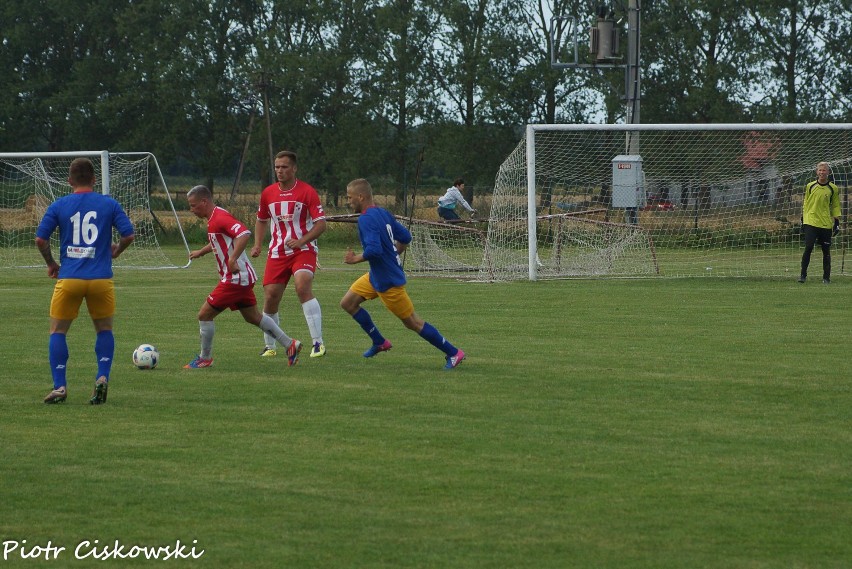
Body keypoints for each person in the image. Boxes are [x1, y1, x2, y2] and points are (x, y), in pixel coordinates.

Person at [35, 157, 136, 404]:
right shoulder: (109, 204)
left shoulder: (60, 205)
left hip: (69, 279)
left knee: (58, 332)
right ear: (94, 179)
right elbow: (129, 234)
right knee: (104, 329)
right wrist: (116, 251)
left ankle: (60, 386)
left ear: (69, 180)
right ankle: (102, 377)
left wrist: (51, 264)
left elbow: (40, 239)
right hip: (101, 279)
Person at [341, 178, 466, 370]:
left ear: (361, 196)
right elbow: (406, 237)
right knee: (348, 303)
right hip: (376, 275)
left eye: (350, 198)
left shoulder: (365, 219)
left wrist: (354, 259)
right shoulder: (383, 213)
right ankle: (379, 342)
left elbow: (374, 250)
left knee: (413, 323)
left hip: (387, 281)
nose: (349, 202)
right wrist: (394, 254)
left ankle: (453, 352)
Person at [184, 185, 302, 368]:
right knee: (253, 316)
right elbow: (220, 240)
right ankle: (290, 344)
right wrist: (202, 251)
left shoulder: (220, 217)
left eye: (193, 206)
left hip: (235, 278)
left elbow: (244, 233)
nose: (191, 210)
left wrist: (232, 259)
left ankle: (204, 358)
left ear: (204, 201)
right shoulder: (214, 217)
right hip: (242, 277)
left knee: (204, 314)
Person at [251, 150, 327, 359]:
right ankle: (270, 346)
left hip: (303, 250)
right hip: (277, 252)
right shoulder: (268, 193)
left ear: (294, 168)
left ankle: (318, 343)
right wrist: (257, 244)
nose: (280, 171)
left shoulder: (307, 192)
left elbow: (321, 224)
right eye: (277, 167)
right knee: (270, 297)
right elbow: (261, 220)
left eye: (284, 167)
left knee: (302, 286)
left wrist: (302, 241)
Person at [798, 161, 841, 284]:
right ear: (817, 172)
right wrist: (803, 220)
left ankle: (826, 278)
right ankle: (802, 275)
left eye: (824, 170)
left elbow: (835, 206)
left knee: (826, 250)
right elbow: (806, 203)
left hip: (825, 223)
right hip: (810, 221)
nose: (822, 172)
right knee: (809, 246)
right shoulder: (810, 186)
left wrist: (836, 223)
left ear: (828, 172)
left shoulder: (833, 188)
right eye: (820, 170)